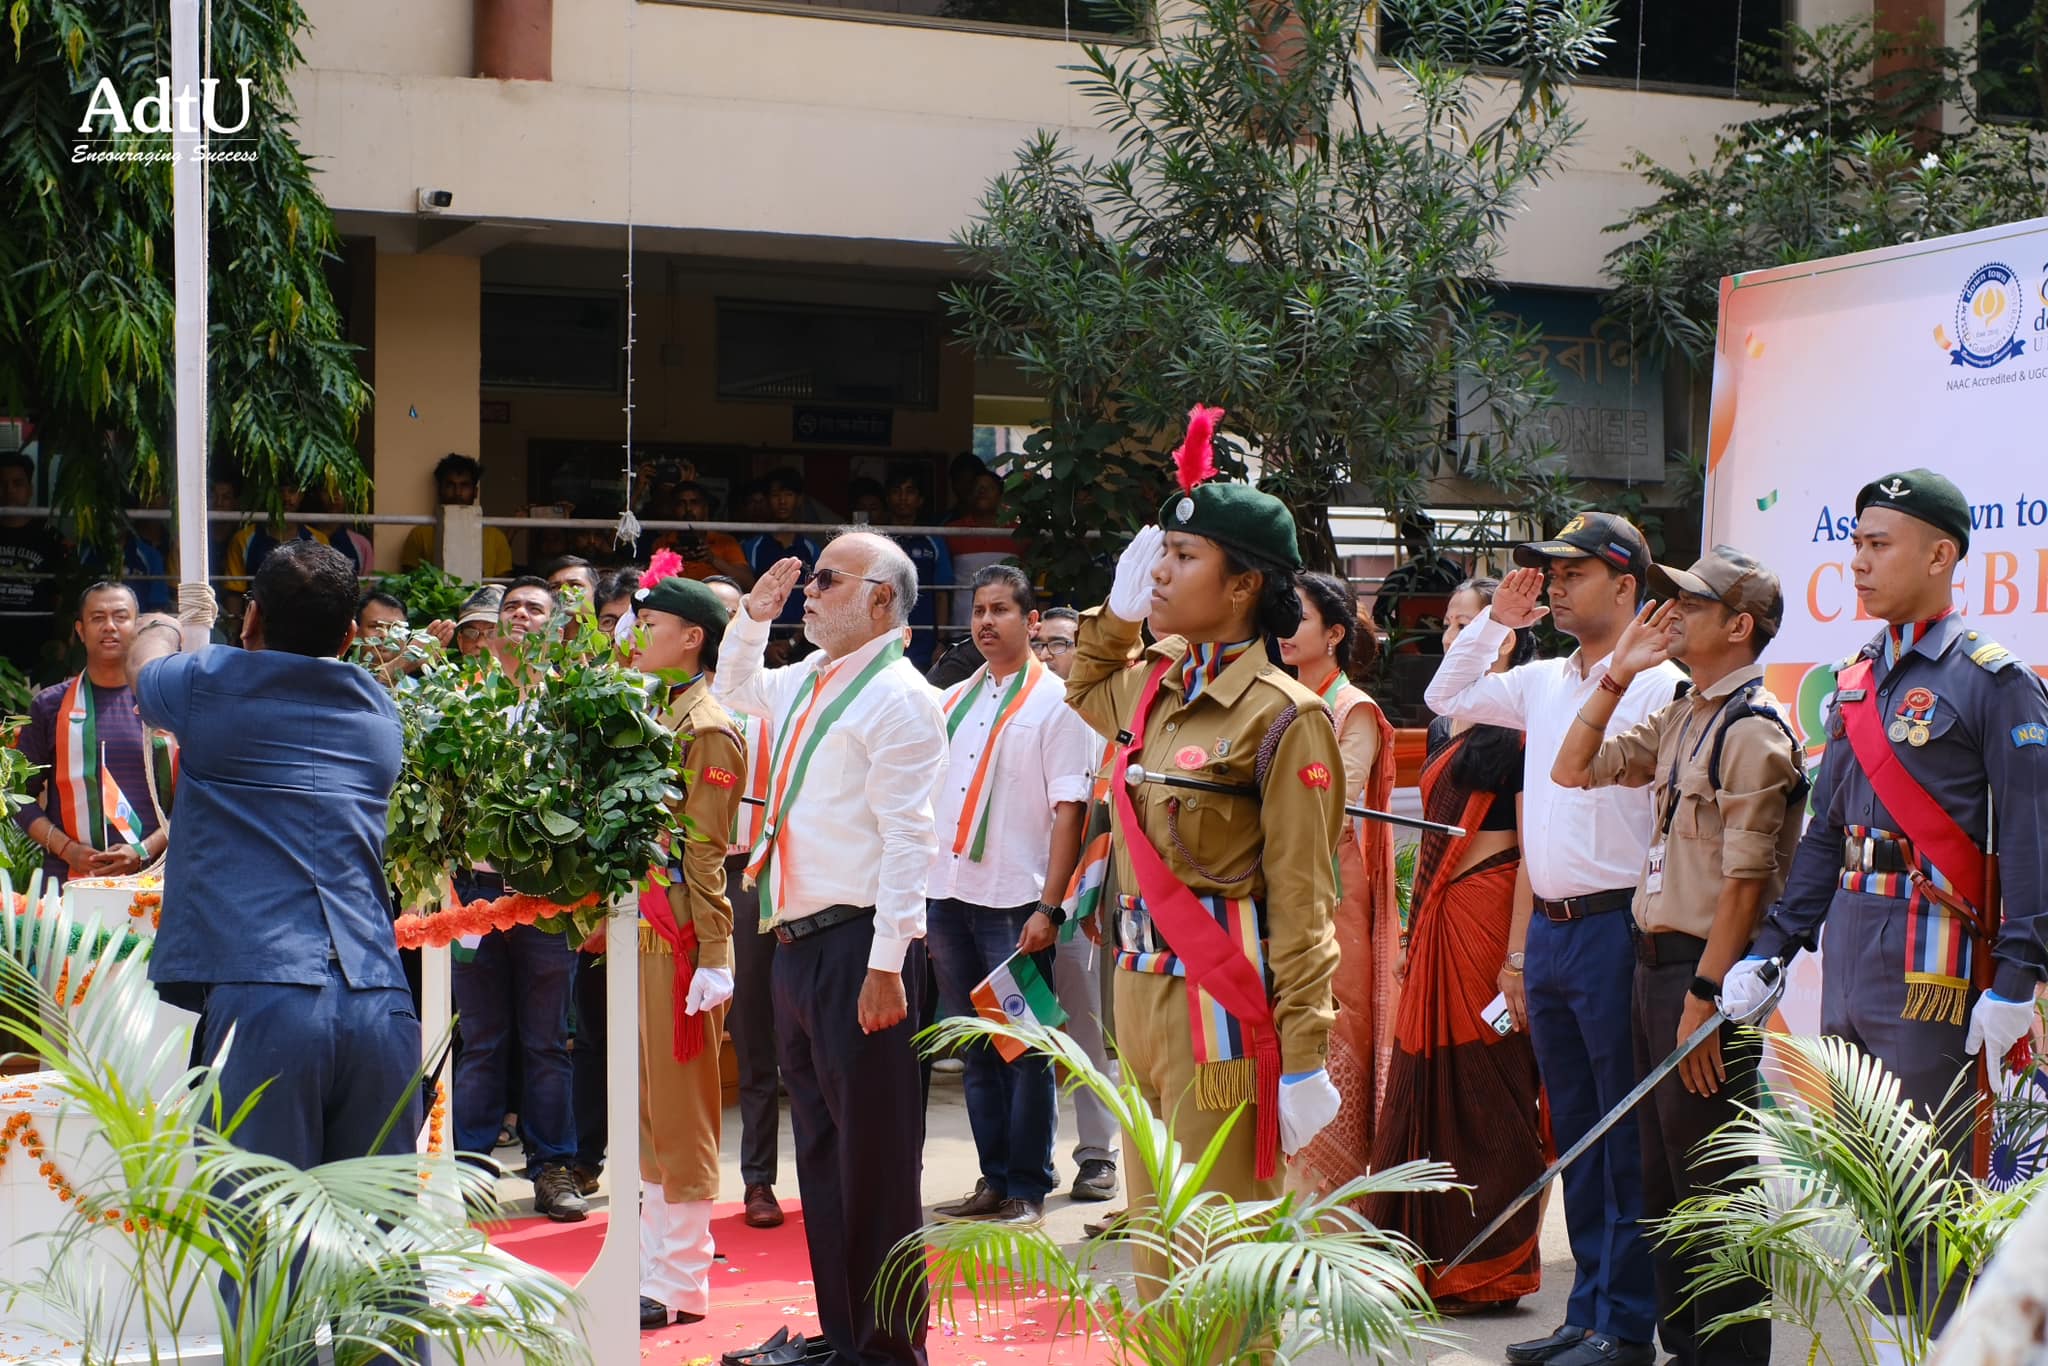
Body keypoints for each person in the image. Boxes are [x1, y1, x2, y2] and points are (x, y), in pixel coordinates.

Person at [1723, 470, 2048, 1351]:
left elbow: (2028, 843)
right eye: (1855, 543)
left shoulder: (1994, 682)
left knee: (1934, 1180)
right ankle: (1901, 1338)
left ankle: (1951, 1344)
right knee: (1869, 1171)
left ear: (1941, 556)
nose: (1858, 562)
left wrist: (2018, 976)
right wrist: (1775, 947)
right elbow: (1827, 831)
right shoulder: (1860, 678)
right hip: (1857, 947)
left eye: (1879, 545)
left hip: (1938, 957)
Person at [1063, 405, 1346, 1292]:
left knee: (1218, 1260)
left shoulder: (1283, 717)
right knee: (1153, 1253)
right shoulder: (1155, 685)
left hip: (1217, 1012)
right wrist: (1115, 612)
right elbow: (1085, 686)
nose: (1162, 571)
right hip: (1137, 996)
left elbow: (1305, 902)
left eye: (1184, 558)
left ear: (1242, 588)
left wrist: (1304, 1054)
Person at [1423, 512, 1683, 1366]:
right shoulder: (1541, 678)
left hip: (1618, 928)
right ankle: (1588, 1312)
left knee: (1623, 1135)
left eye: (1573, 573)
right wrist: (1498, 620)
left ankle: (1624, 1325)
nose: (1557, 586)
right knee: (1576, 1133)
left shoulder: (1658, 683)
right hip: (1555, 930)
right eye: (1551, 573)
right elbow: (1446, 700)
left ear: (1626, 584)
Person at [1550, 547, 1803, 1366]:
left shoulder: (1754, 729)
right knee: (1661, 1179)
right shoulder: (1687, 713)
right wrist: (1617, 676)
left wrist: (1705, 993)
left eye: (1695, 605)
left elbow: (1745, 881)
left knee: (1711, 1184)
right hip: (1650, 960)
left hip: (1702, 972)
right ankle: (1685, 1345)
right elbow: (1572, 767)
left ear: (1739, 626)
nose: (1673, 615)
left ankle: (1727, 1356)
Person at [713, 530, 948, 1366]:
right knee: (820, 1153)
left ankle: (889, 1351)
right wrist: (751, 616)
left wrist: (890, 963)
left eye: (825, 579)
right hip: (796, 943)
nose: (808, 591)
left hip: (862, 948)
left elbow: (908, 842)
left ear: (881, 599)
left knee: (877, 1166)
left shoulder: (902, 698)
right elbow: (733, 692)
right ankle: (848, 1339)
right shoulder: (812, 678)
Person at [126, 543, 420, 1172]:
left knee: (266, 1248)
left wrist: (161, 625)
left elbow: (145, 674)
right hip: (380, 998)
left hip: (267, 998)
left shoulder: (211, 685)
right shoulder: (379, 714)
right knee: (374, 1253)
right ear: (348, 635)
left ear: (252, 617)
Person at [1365, 579, 1546, 1309]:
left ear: (1514, 632)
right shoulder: (1446, 724)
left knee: (1488, 1087)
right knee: (1423, 1085)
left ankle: (1493, 1266)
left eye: (1470, 622)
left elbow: (1537, 847)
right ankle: (1420, 1259)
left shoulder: (1533, 716)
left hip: (1493, 910)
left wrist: (1516, 956)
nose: (1454, 632)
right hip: (1440, 915)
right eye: (1450, 623)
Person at [926, 565, 1095, 1228]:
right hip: (949, 894)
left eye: (1001, 610)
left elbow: (1068, 812)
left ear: (1032, 623)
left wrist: (1049, 908)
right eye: (979, 611)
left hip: (1014, 900)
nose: (986, 622)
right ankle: (993, 1178)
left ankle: (1028, 1182)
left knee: (1022, 1046)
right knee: (974, 1045)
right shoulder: (955, 698)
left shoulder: (1058, 702)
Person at [625, 570, 748, 1331]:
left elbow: (705, 853)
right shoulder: (652, 711)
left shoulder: (706, 724)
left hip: (678, 932)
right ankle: (650, 1272)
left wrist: (715, 950)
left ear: (692, 638)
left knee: (681, 1109)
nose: (632, 637)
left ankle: (680, 1283)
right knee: (644, 1111)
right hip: (643, 925)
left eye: (649, 624)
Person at [447, 575, 588, 1222]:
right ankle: (470, 1172)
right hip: (473, 893)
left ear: (556, 626)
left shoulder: (573, 703)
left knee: (547, 1040)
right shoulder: (463, 698)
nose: (523, 616)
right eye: (512, 608)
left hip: (547, 896)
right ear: (495, 627)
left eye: (536, 607)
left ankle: (553, 1169)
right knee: (479, 1039)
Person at [1285, 572, 1402, 1189]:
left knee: (1332, 1035)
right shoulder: (1269, 698)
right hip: (1276, 890)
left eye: (1297, 617)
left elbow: (1334, 809)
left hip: (1331, 895)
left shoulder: (1351, 708)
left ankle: (1331, 1220)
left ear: (1333, 635)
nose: (1283, 628)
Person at [701, 574, 787, 1229]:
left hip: (751, 879)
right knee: (676, 1035)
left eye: (738, 615)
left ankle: (758, 1180)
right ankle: (669, 1174)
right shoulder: (659, 703)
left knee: (754, 1036)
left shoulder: (773, 700)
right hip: (681, 880)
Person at [1029, 605, 1121, 1204]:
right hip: (1017, 896)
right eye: (1041, 643)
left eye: (1061, 645)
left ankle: (1097, 1155)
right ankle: (1025, 1164)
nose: (1047, 656)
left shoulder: (1110, 720)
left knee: (1087, 1029)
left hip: (1081, 900)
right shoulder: (1007, 709)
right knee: (1022, 1031)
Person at [13, 583, 170, 887]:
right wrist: (66, 849)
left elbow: (192, 799)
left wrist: (143, 850)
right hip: (68, 879)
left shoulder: (165, 702)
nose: (109, 626)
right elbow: (18, 796)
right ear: (80, 631)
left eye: (120, 617)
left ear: (137, 628)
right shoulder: (50, 705)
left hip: (156, 879)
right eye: (98, 618)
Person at [400, 454, 516, 579]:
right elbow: (410, 582)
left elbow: (500, 588)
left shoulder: (496, 537)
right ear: (440, 490)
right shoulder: (419, 534)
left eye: (464, 485)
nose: (457, 492)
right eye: (450, 485)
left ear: (475, 492)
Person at [882, 467, 953, 670]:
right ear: (888, 497)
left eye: (910, 491)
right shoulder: (876, 540)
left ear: (920, 500)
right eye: (897, 491)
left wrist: (941, 642)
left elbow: (941, 594)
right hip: (882, 636)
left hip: (924, 640)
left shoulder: (933, 541)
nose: (903, 497)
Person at [0, 451, 63, 678]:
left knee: (30, 713)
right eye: (2, 484)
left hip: (37, 649)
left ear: (29, 489)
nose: (9, 491)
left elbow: (59, 596)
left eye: (17, 483)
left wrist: (61, 640)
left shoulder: (49, 538)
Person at [740, 470, 824, 638]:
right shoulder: (751, 547)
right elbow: (746, 594)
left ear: (799, 500)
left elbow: (821, 596)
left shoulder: (812, 549)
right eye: (775, 495)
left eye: (789, 494)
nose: (782, 501)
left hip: (804, 640)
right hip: (759, 638)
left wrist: (793, 642)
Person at [1371, 511, 1466, 644]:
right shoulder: (1454, 571)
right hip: (1446, 644)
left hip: (1417, 647)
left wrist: (1404, 634)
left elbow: (1380, 616)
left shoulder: (1400, 577)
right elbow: (1379, 616)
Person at [222, 484, 331, 592]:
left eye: (292, 491)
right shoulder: (243, 539)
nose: (286, 498)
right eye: (279, 491)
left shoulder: (319, 540)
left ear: (301, 495)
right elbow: (234, 593)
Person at [646, 482, 755, 588]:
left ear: (705, 508)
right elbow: (650, 585)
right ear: (674, 509)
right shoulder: (662, 543)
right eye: (681, 503)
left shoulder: (725, 541)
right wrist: (673, 557)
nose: (688, 509)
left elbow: (748, 583)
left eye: (694, 503)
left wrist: (712, 559)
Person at [946, 467, 1014, 628]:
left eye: (989, 488)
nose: (982, 492)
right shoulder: (951, 531)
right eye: (977, 488)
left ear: (1000, 495)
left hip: (1007, 628)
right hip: (962, 627)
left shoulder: (1019, 534)